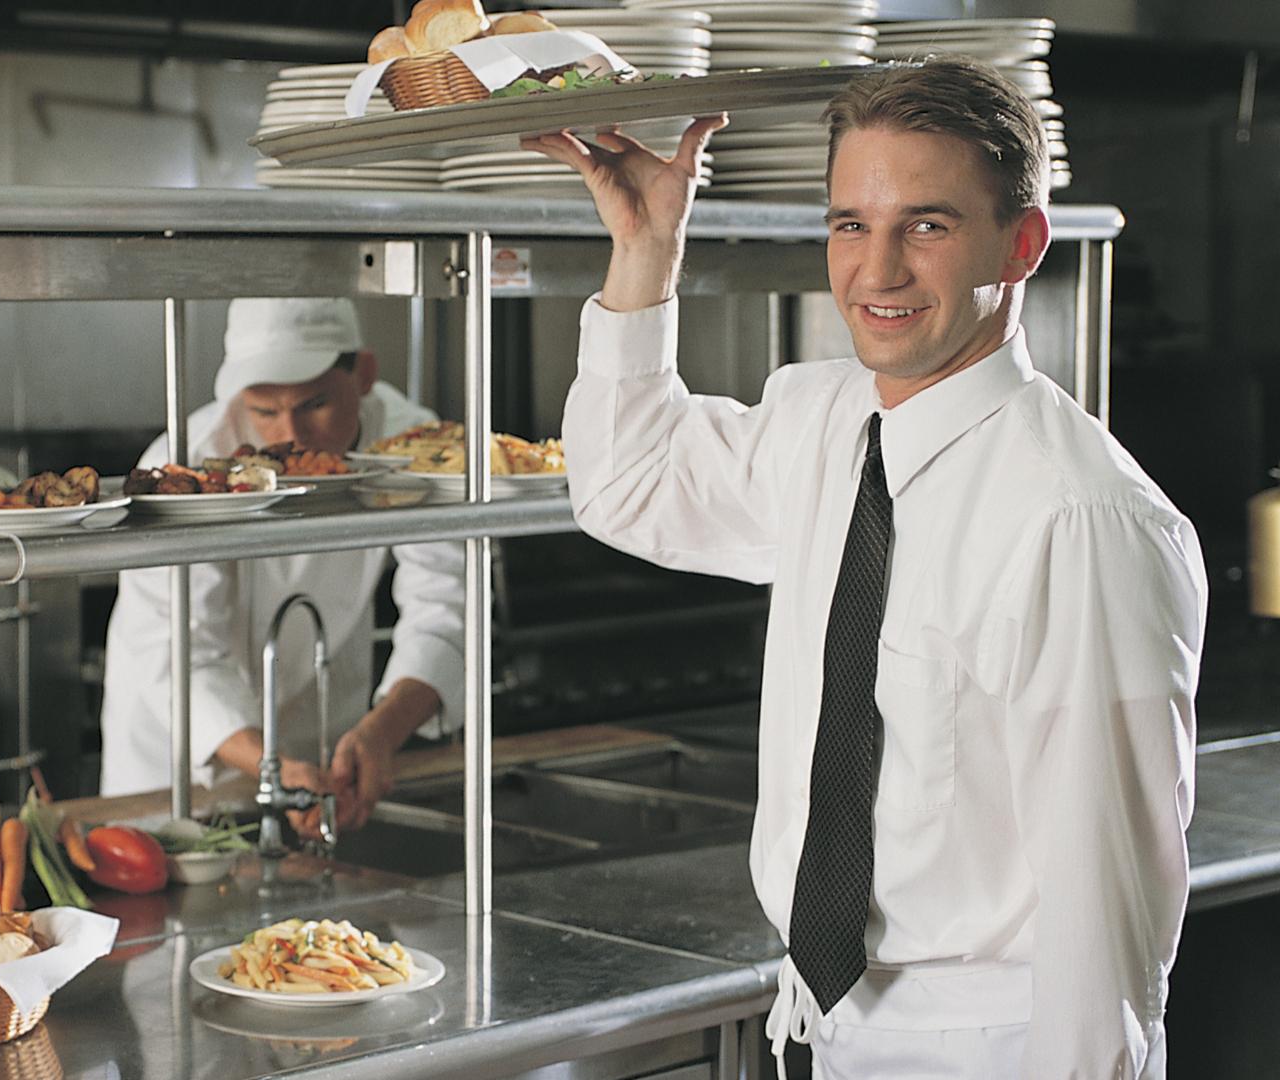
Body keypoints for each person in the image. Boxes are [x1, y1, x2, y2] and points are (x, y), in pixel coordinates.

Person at [527, 57, 1204, 1079]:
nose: (877, 271)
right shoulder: (827, 421)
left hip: (996, 1051)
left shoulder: (1078, 520)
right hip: (835, 1030)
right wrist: (647, 246)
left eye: (926, 226)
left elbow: (1101, 928)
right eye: (851, 224)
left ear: (1020, 245)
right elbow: (627, 483)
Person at [99, 297, 464, 835]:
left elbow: (448, 606)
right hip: (179, 759)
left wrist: (381, 734)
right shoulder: (186, 460)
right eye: (264, 412)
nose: (288, 434)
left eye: (313, 403)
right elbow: (178, 653)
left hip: (330, 743)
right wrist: (270, 765)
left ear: (363, 374)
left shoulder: (414, 445)